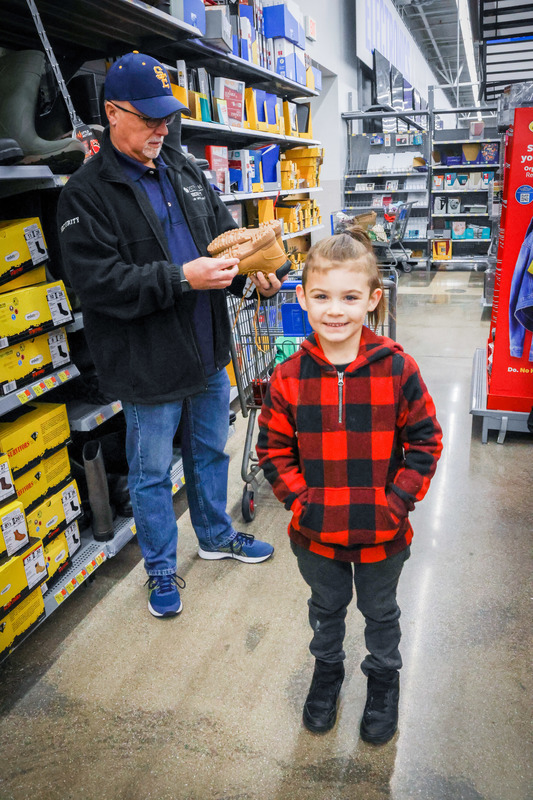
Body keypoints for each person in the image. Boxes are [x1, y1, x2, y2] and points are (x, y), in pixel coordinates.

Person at [57, 52, 283, 619]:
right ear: (112, 112)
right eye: (149, 117)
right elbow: (96, 283)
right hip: (147, 360)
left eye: (167, 117)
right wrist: (182, 278)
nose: (162, 128)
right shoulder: (86, 193)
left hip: (207, 347)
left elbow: (227, 239)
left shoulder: (184, 169)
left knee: (209, 450)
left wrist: (253, 272)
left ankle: (215, 535)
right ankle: (160, 567)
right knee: (153, 472)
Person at [256, 229, 442, 744]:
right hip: (315, 533)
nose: (335, 310)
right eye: (322, 296)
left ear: (372, 300)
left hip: (383, 532)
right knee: (325, 608)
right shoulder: (288, 376)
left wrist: (397, 502)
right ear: (302, 297)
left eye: (349, 297)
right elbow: (272, 449)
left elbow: (425, 440)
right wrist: (302, 503)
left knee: (381, 612)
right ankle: (328, 672)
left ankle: (383, 680)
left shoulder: (398, 368)